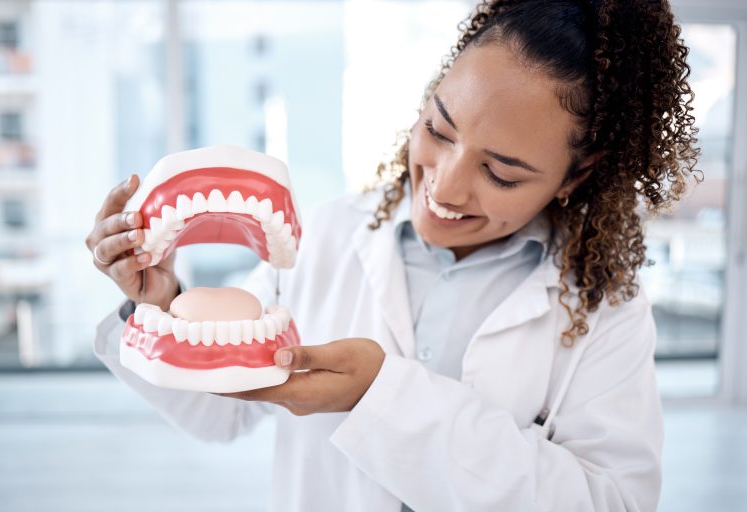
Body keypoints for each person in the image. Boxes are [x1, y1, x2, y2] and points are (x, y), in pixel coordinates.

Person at [85, 0, 699, 510]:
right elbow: (218, 415)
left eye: (501, 172)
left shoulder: (604, 307)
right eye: (438, 130)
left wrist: (380, 398)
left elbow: (611, 501)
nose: (446, 187)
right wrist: (159, 306)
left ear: (577, 173)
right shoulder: (329, 235)